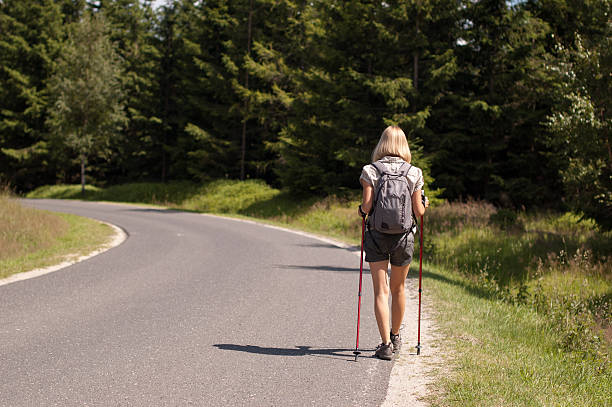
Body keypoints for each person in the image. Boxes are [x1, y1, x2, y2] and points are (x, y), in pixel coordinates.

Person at [358, 125, 429, 360]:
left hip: (377, 236)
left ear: (383, 144)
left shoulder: (370, 170)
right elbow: (419, 211)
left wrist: (360, 210)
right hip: (404, 238)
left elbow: (367, 207)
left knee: (381, 291)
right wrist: (425, 205)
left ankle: (385, 345)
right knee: (398, 289)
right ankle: (396, 335)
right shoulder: (414, 172)